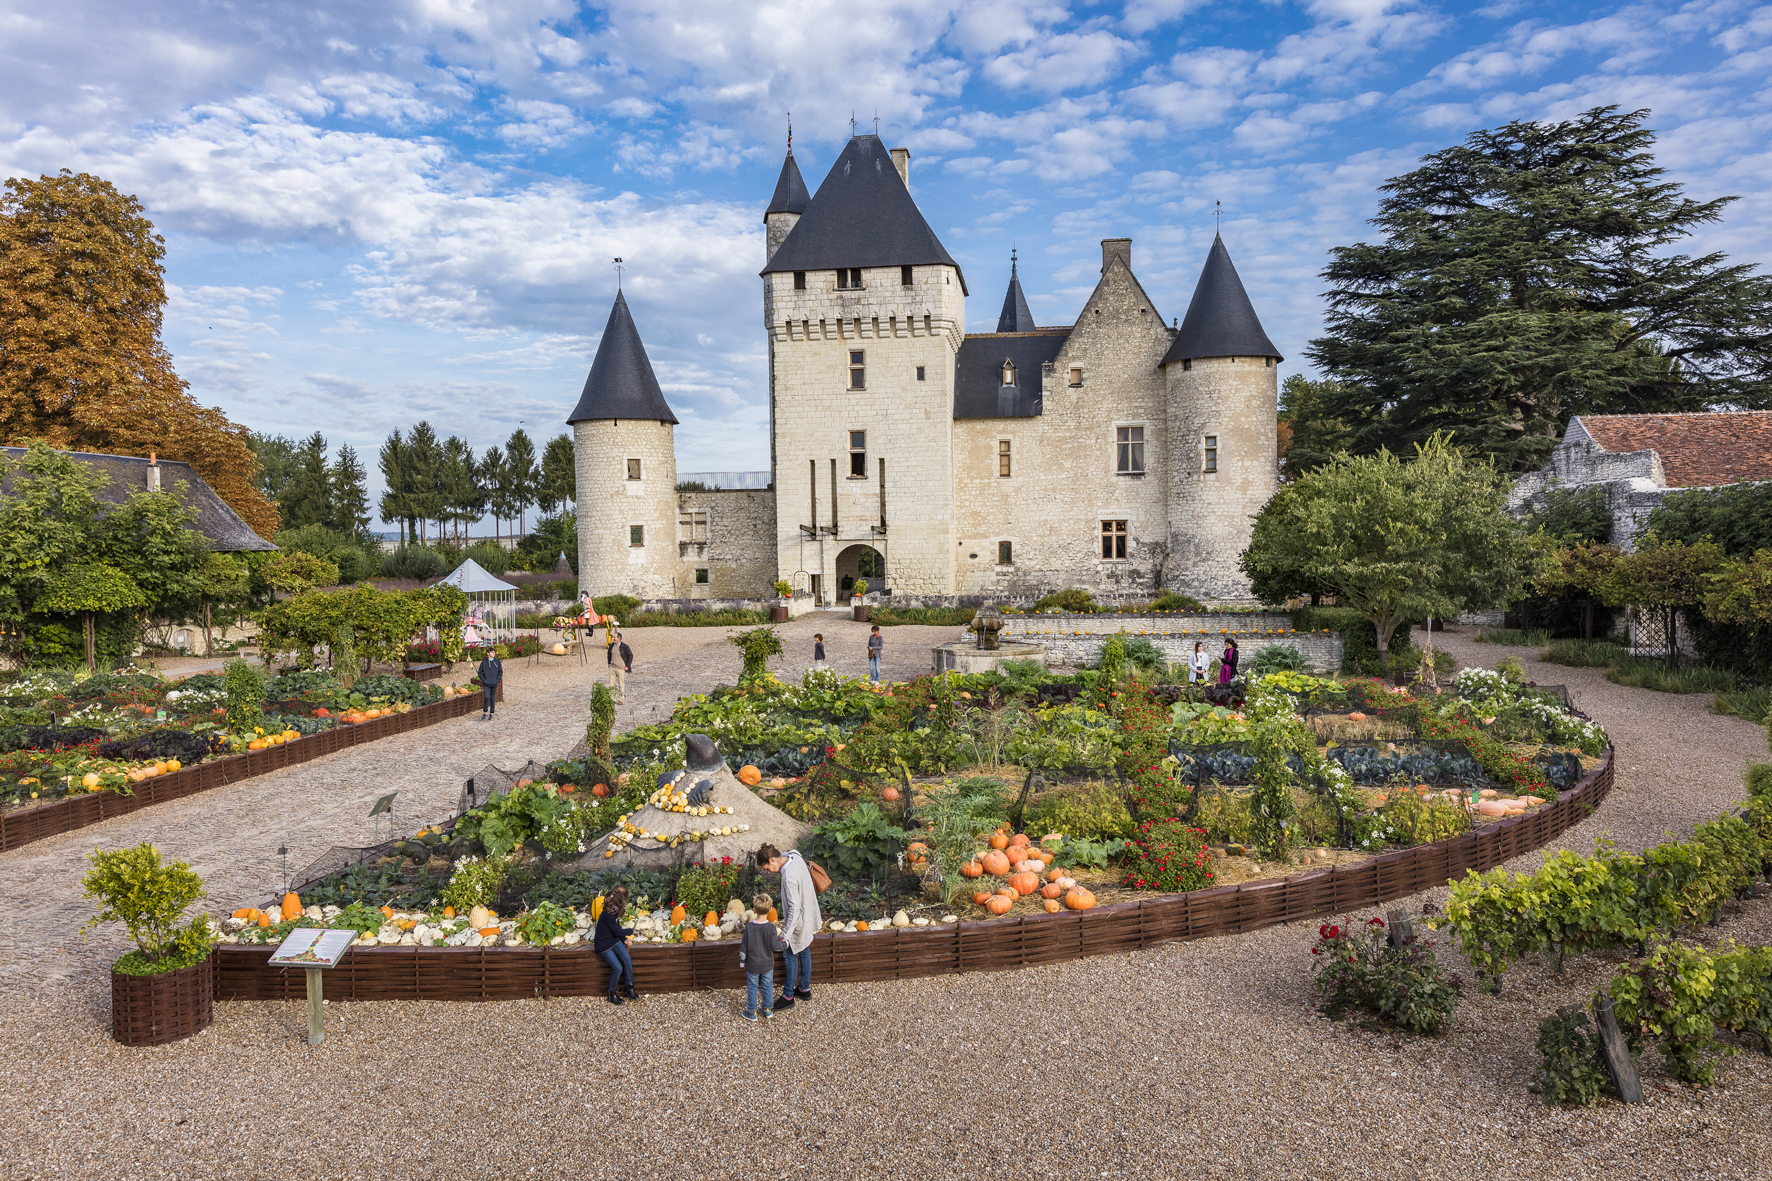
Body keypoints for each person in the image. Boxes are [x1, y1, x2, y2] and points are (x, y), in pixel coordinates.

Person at [758, 842, 821, 1008]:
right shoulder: (795, 856)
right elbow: (789, 852)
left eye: (767, 868)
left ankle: (788, 997)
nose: (768, 872)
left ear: (772, 860)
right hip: (808, 914)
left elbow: (794, 908)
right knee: (804, 948)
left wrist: (786, 934)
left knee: (789, 953)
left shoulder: (788, 877)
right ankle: (804, 989)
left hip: (798, 921)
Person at [738, 891, 785, 1023]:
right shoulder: (771, 928)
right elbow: (775, 946)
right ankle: (767, 1009)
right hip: (767, 964)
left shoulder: (749, 927)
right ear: (770, 909)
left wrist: (742, 962)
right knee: (767, 986)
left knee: (752, 987)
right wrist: (786, 944)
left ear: (754, 909)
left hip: (753, 964)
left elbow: (744, 946)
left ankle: (752, 1012)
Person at [594, 885, 638, 1004]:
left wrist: (624, 939)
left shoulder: (614, 909)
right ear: (622, 900)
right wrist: (630, 931)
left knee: (626, 958)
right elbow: (617, 931)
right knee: (617, 968)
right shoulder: (609, 913)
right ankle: (611, 993)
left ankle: (630, 987)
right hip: (604, 944)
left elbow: (616, 928)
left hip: (613, 939)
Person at [476, 647, 503, 719]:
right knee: (486, 697)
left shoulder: (497, 662)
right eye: (492, 652)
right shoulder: (484, 662)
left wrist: (497, 680)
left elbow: (500, 672)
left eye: (494, 652)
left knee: (492, 698)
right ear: (488, 653)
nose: (493, 653)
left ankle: (491, 713)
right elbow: (479, 672)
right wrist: (484, 680)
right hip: (486, 683)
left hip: (494, 683)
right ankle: (485, 712)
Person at [608, 629, 633, 704]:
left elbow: (630, 656)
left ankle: (620, 699)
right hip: (612, 667)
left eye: (615, 637)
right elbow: (609, 654)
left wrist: (627, 666)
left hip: (621, 668)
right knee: (611, 685)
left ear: (619, 638)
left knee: (620, 684)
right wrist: (609, 663)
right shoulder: (611, 646)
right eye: (613, 637)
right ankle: (612, 699)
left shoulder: (625, 647)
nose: (613, 638)